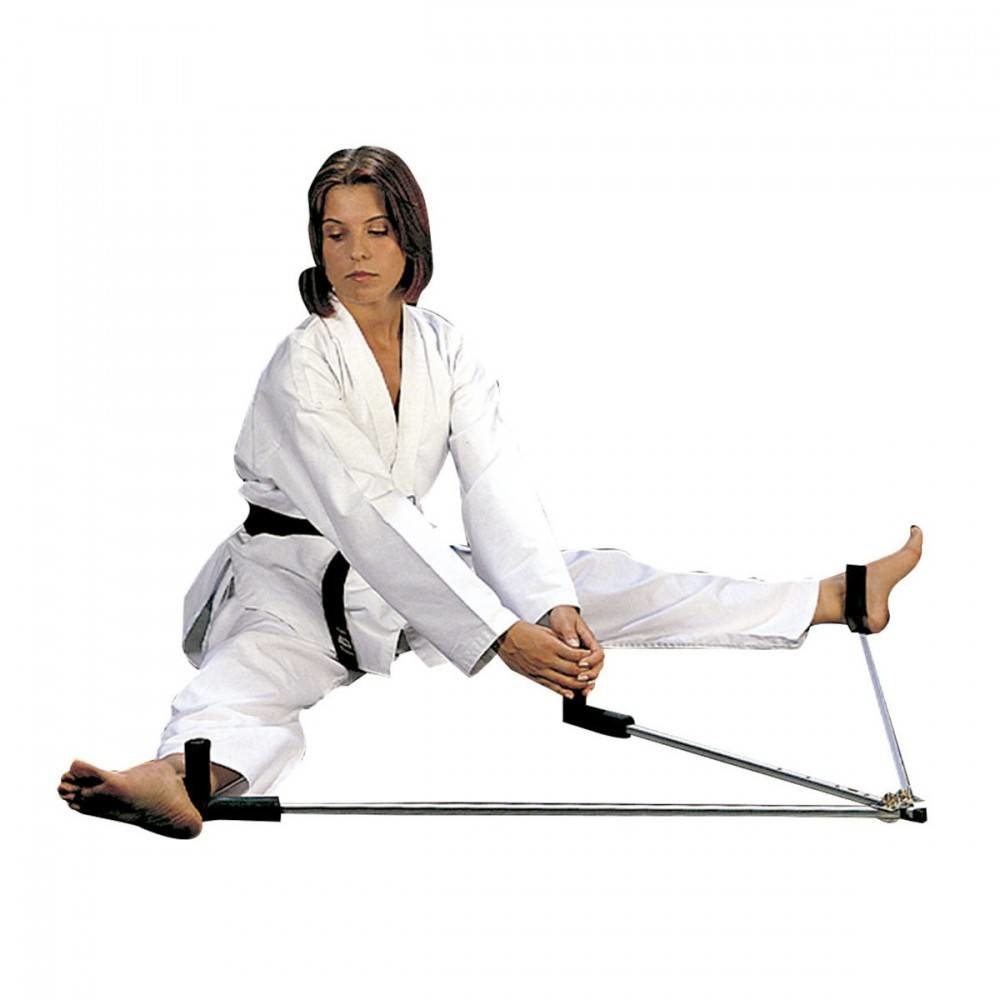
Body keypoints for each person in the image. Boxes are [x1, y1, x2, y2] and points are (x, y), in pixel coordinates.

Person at [57, 147, 923, 839]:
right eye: (335, 233)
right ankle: (172, 782)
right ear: (316, 246)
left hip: (399, 578)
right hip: (285, 581)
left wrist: (547, 607)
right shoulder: (303, 364)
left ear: (410, 240)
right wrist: (502, 636)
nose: (356, 253)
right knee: (244, 688)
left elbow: (495, 480)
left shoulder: (444, 345)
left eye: (376, 230)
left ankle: (835, 597)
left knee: (595, 577)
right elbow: (366, 512)